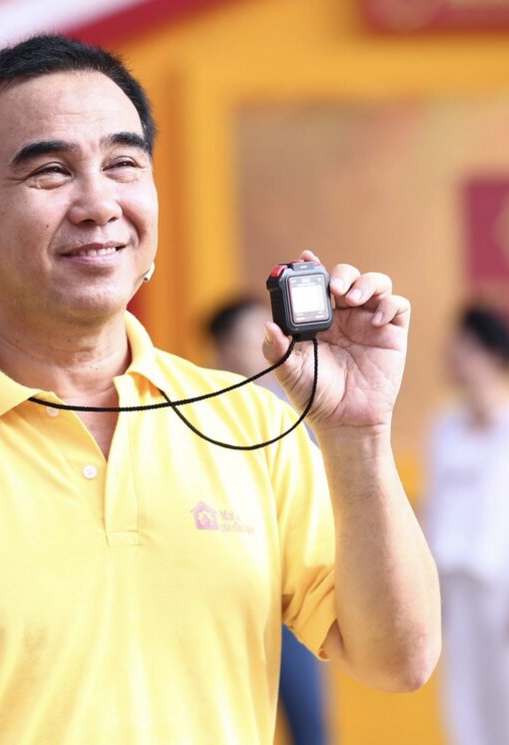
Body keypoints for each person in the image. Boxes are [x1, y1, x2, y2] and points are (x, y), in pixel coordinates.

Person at [0, 34, 441, 745]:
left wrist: (357, 433)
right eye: (50, 171)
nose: (98, 204)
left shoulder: (249, 427)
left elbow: (398, 658)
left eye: (123, 164)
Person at [424, 305, 509, 745]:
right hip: (459, 589)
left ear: (494, 354)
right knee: (467, 709)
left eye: (465, 347)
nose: (454, 357)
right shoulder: (445, 427)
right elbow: (436, 508)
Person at [207, 296, 328, 745]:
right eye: (254, 338)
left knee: (309, 724)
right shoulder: (196, 412)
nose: (272, 346)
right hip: (224, 593)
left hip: (290, 587)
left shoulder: (298, 405)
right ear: (223, 349)